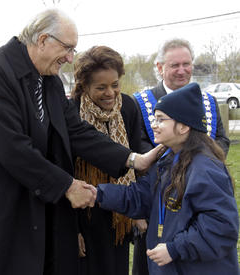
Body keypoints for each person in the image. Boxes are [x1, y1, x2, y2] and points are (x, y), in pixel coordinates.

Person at [0, 9, 157, 275]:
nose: (70, 58)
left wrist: (133, 159)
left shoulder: (49, 80)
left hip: (34, 204)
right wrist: (67, 186)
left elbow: (77, 130)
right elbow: (12, 147)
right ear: (43, 39)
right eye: (67, 49)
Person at [96, 82, 239, 275]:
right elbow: (142, 197)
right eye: (155, 119)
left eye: (161, 119)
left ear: (183, 127)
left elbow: (221, 227)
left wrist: (175, 249)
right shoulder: (168, 160)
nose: (153, 125)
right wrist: (97, 194)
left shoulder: (204, 169)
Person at [131, 38, 230, 275]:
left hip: (198, 198)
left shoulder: (208, 101)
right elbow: (138, 147)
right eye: (175, 65)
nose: (182, 70)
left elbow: (222, 140)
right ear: (159, 67)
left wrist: (199, 160)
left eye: (187, 64)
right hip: (157, 201)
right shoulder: (139, 103)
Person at [70, 45, 141, 275]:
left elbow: (137, 157)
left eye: (115, 85)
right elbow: (64, 168)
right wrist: (73, 229)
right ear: (84, 86)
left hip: (120, 212)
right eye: (101, 87)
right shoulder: (71, 111)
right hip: (86, 213)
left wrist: (139, 210)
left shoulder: (128, 107)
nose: (110, 93)